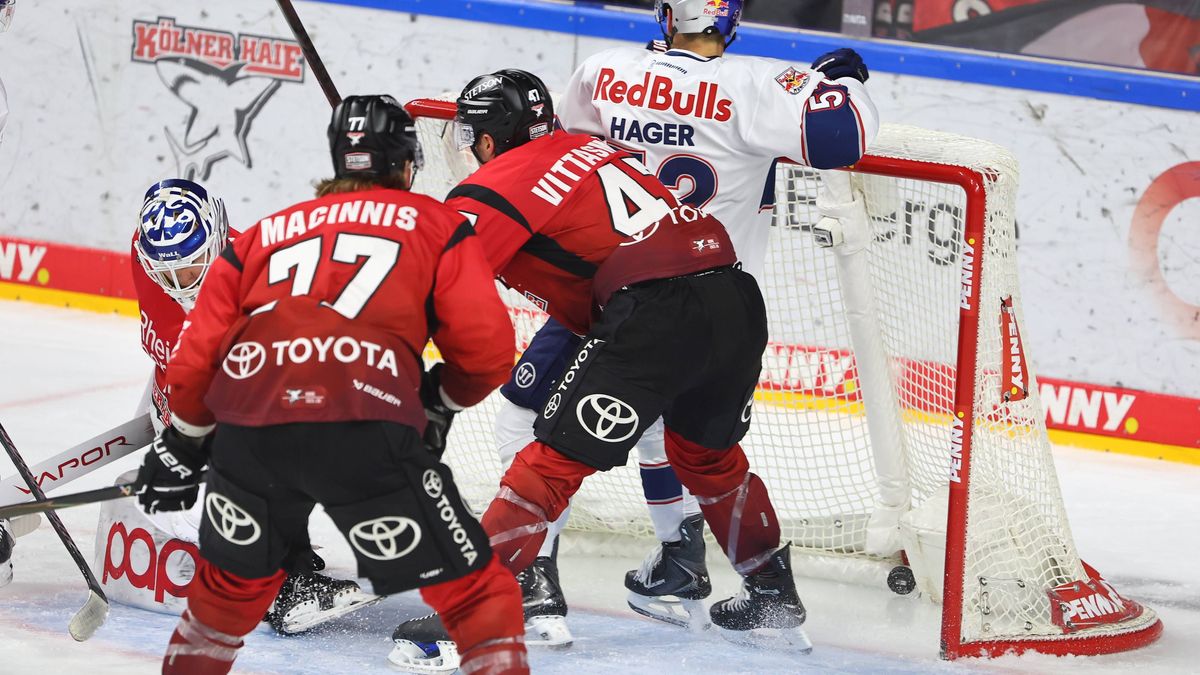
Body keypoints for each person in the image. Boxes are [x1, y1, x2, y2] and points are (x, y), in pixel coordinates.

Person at [392, 68, 809, 667]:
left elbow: (436, 286)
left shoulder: (496, 183)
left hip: (656, 313)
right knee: (707, 459)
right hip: (733, 299)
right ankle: (773, 594)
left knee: (548, 462)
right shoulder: (593, 148)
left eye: (471, 138)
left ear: (488, 140)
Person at [496, 0, 880, 629]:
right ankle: (712, 571)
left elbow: (563, 157)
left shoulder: (603, 71)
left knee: (529, 420)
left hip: (623, 290)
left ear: (665, 14)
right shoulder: (759, 85)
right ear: (730, 18)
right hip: (725, 301)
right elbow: (841, 137)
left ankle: (532, 577)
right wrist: (836, 83)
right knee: (691, 445)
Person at [134, 94, 528, 675]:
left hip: (254, 433)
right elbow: (490, 352)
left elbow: (196, 363)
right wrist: (438, 404)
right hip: (363, 427)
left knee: (218, 610)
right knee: (477, 595)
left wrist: (183, 445)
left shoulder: (264, 233)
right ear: (408, 163)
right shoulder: (439, 225)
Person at [123, 178, 380, 633]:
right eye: (169, 273)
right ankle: (278, 588)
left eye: (192, 267)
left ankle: (288, 559)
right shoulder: (149, 258)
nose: (180, 282)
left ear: (219, 235)